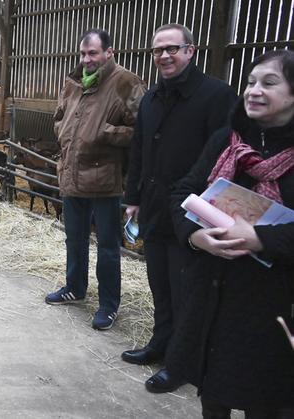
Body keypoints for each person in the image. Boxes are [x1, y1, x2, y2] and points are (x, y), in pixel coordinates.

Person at [168, 50, 294, 417]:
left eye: (269, 83)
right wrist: (195, 236)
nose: (254, 91)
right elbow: (183, 191)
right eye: (251, 82)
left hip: (275, 302)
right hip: (217, 293)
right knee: (215, 394)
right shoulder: (228, 140)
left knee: (268, 400)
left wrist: (263, 239)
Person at [121, 24, 237, 393]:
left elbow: (226, 157)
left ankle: (181, 362)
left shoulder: (216, 96)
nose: (164, 56)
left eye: (173, 48)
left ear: (191, 51)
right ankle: (160, 343)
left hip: (193, 216)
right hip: (154, 209)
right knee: (160, 285)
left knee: (186, 288)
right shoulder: (152, 97)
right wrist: (133, 198)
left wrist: (208, 208)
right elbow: (138, 150)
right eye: (158, 50)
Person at [45, 29, 145, 331]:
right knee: (74, 238)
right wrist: (64, 133)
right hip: (72, 174)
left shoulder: (127, 82)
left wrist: (105, 133)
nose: (87, 59)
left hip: (105, 179)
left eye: (93, 53)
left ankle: (108, 304)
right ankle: (75, 287)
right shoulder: (73, 82)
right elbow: (59, 116)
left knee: (107, 246)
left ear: (109, 52)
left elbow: (141, 130)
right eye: (83, 54)